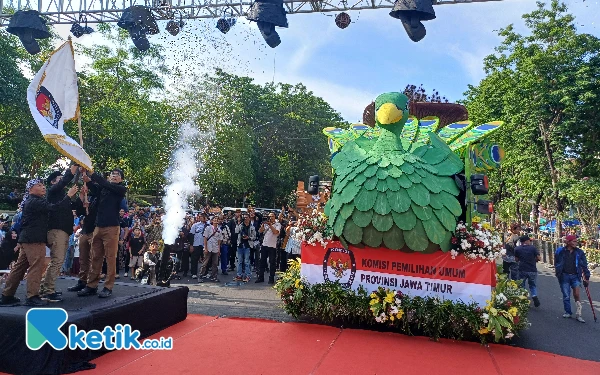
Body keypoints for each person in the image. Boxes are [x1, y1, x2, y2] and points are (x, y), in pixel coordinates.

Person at [0, 179, 77, 306]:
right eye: (39, 185)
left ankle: (7, 295)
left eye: (43, 185)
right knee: (36, 267)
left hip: (27, 238)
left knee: (19, 268)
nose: (43, 187)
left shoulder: (32, 201)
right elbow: (55, 208)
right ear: (30, 189)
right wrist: (68, 196)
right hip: (34, 239)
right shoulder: (35, 201)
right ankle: (32, 296)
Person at [78, 169, 127, 298]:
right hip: (98, 227)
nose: (114, 176)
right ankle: (91, 285)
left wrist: (92, 174)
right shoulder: (103, 188)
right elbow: (94, 187)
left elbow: (103, 183)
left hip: (112, 227)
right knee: (95, 257)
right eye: (112, 174)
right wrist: (87, 179)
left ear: (121, 180)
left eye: (117, 175)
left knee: (110, 258)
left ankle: (108, 286)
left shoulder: (120, 189)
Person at [39, 166, 78, 302]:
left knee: (57, 260)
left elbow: (74, 206)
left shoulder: (62, 195)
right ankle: (48, 290)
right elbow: (64, 184)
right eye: (60, 179)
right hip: (57, 230)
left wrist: (81, 195)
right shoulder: (53, 192)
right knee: (57, 260)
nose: (63, 182)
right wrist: (72, 170)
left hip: (64, 230)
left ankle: (45, 287)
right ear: (53, 182)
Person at [67, 184, 97, 292]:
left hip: (95, 231)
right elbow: (79, 212)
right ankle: (82, 281)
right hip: (85, 230)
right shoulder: (87, 197)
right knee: (83, 258)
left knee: (94, 259)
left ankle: (92, 284)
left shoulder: (99, 196)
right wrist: (81, 196)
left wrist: (90, 206)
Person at [555, 235, 591, 323]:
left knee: (577, 294)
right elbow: (556, 261)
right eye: (574, 241)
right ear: (568, 242)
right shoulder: (560, 251)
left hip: (575, 276)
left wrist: (587, 277)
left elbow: (584, 265)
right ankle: (568, 312)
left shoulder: (579, 252)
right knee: (566, 295)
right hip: (564, 275)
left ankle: (579, 314)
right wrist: (557, 270)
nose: (575, 243)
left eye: (576, 241)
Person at [514, 235, 540, 307]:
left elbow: (516, 259)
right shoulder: (533, 248)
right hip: (532, 269)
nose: (530, 242)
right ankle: (534, 295)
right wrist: (534, 260)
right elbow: (539, 258)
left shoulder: (517, 249)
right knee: (532, 285)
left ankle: (524, 299)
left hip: (522, 269)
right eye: (529, 241)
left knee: (522, 285)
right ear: (526, 241)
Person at [256, 213, 281, 284]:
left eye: (272, 216)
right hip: (264, 245)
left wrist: (270, 225)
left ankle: (271, 278)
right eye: (269, 216)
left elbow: (276, 232)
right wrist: (263, 224)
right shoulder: (265, 223)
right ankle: (261, 277)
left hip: (272, 246)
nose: (271, 217)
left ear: (275, 217)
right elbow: (260, 231)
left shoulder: (277, 224)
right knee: (262, 262)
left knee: (272, 263)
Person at [199, 217, 222, 282]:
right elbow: (205, 238)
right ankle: (201, 275)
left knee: (215, 263)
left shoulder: (219, 230)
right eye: (214, 220)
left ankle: (214, 276)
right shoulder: (208, 228)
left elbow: (219, 241)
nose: (215, 221)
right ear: (212, 221)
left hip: (215, 248)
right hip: (208, 247)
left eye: (217, 220)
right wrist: (205, 248)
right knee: (205, 263)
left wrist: (219, 249)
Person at [188, 214, 207, 279]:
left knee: (205, 260)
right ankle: (194, 273)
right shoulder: (195, 225)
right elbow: (191, 235)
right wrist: (191, 245)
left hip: (205, 245)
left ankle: (204, 273)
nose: (202, 218)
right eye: (201, 217)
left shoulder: (208, 226)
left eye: (203, 217)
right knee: (194, 259)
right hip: (196, 244)